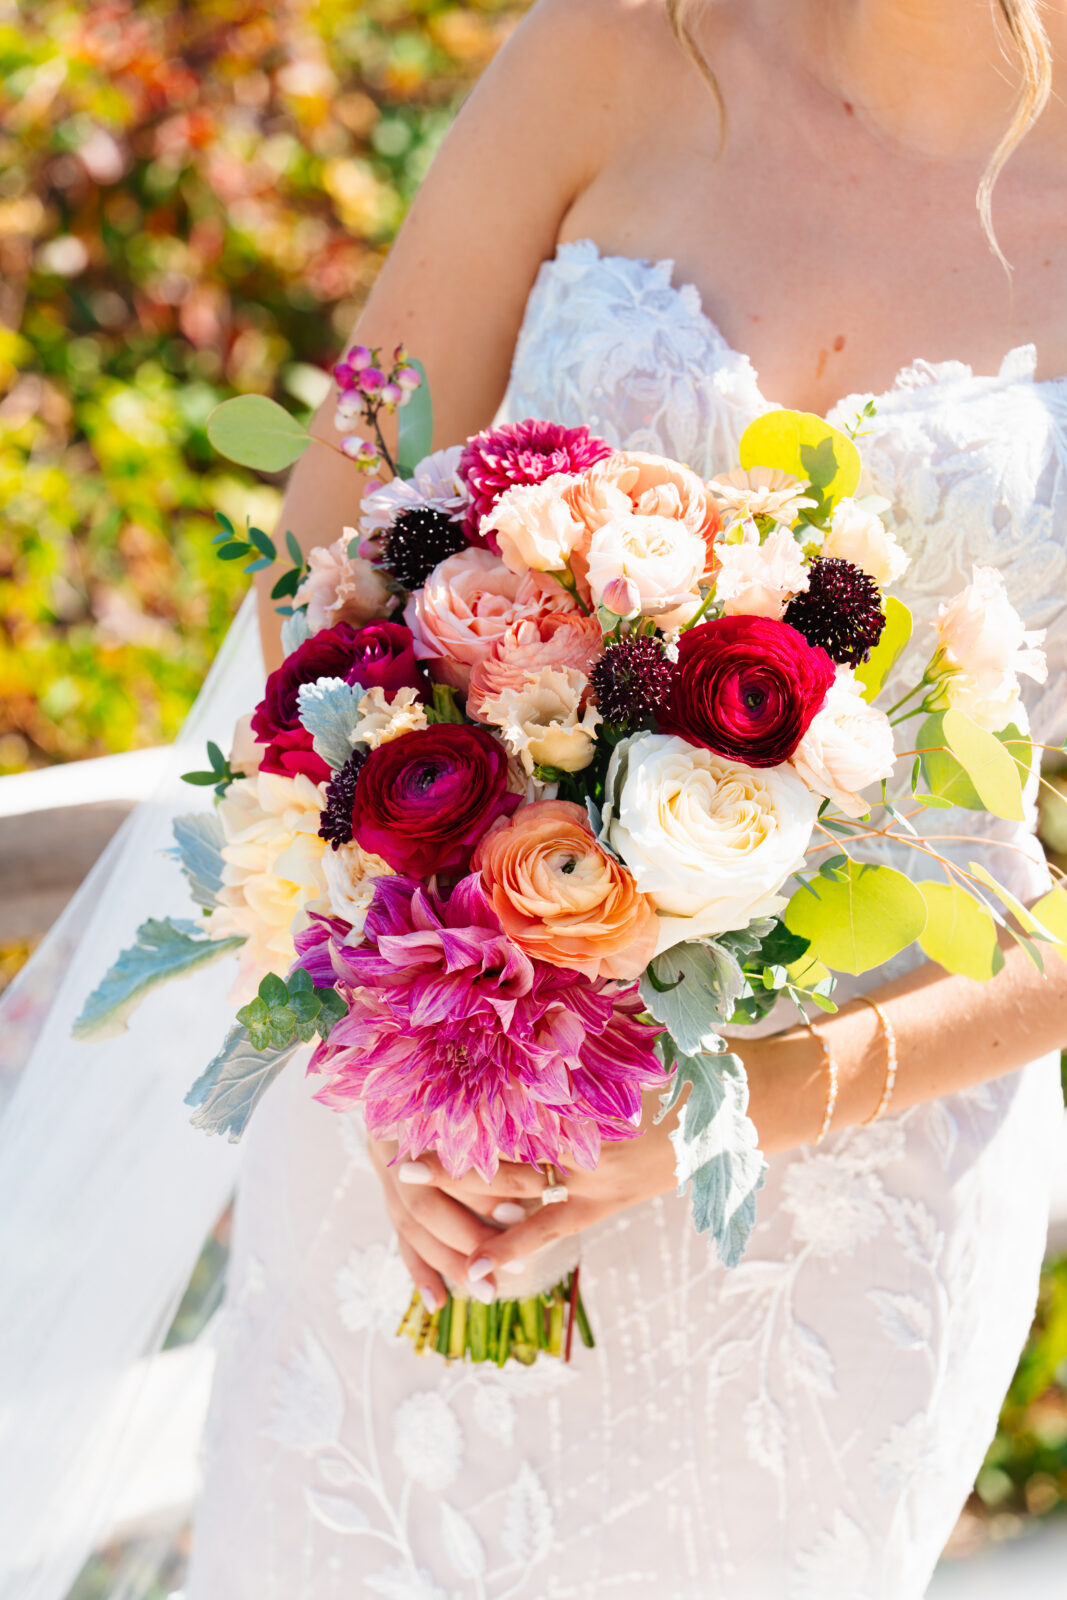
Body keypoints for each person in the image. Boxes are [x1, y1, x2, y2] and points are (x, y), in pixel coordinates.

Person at [185, 3, 1067, 1595]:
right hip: (427, 1124)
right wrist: (405, 1039)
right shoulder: (602, 55)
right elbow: (316, 540)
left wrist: (717, 1123)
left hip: (845, 1196)